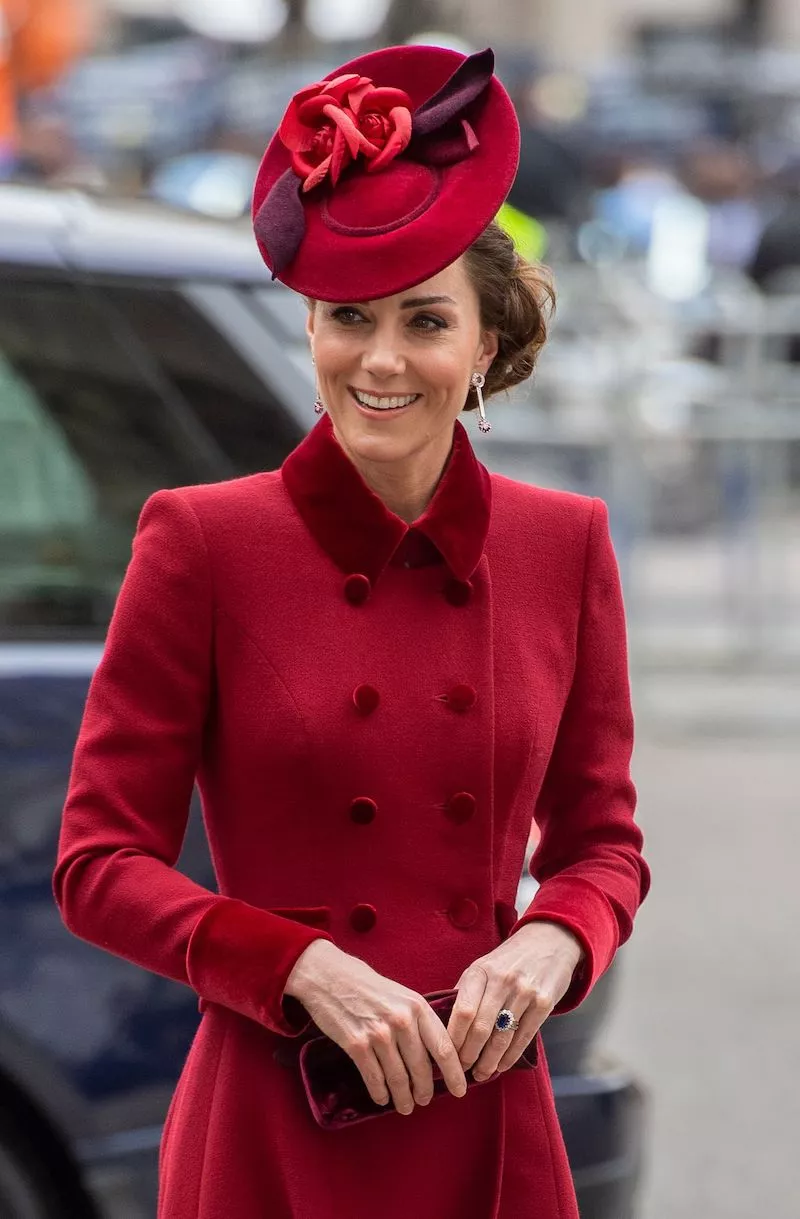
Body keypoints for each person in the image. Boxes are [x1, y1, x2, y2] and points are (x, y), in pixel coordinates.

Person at [52, 43, 650, 1219]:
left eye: (424, 321)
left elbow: (602, 846)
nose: (379, 359)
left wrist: (556, 941)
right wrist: (297, 966)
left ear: (482, 350)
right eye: (346, 318)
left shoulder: (563, 543)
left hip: (486, 1112)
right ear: (311, 329)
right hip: (276, 1114)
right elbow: (97, 866)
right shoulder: (202, 540)